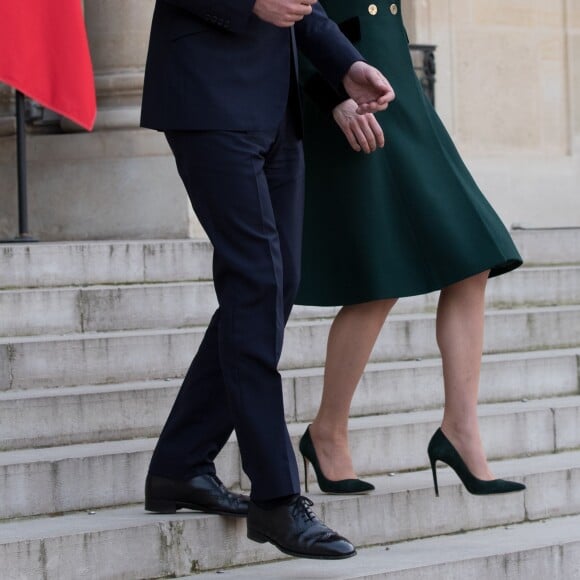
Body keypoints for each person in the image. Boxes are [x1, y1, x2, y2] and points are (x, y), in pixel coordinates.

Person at [139, 0, 395, 561]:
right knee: (255, 284)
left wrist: (344, 65)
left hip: (276, 109)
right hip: (206, 94)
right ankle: (277, 496)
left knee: (275, 286)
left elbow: (301, 3)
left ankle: (180, 464)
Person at [296, 0, 526, 498]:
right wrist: (326, 91)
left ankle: (460, 430)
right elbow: (286, 17)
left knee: (473, 255)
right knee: (380, 277)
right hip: (347, 100)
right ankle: (327, 432)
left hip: (396, 88)